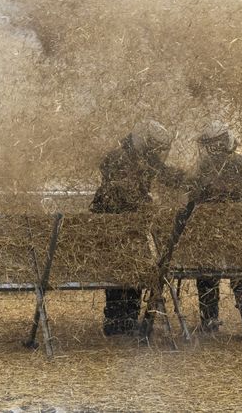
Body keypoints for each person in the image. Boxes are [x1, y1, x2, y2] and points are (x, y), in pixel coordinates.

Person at [90, 120, 184, 336]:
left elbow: (165, 174)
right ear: (144, 144)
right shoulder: (120, 159)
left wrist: (188, 179)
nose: (157, 154)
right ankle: (117, 320)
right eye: (154, 149)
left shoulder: (140, 159)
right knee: (121, 270)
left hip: (132, 226)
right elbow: (124, 194)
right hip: (116, 226)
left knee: (133, 269)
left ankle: (127, 319)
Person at [190, 121, 242, 338]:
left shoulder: (206, 166)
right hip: (238, 232)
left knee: (206, 273)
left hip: (211, 233)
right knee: (241, 276)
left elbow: (196, 198)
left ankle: (209, 320)